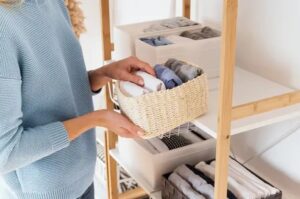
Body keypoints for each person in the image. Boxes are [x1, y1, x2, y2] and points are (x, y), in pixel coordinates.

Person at [0, 0, 155, 198]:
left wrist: (104, 73)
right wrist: (97, 119)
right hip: (44, 192)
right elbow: (6, 153)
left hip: (82, 178)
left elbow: (55, 93)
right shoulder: (3, 25)